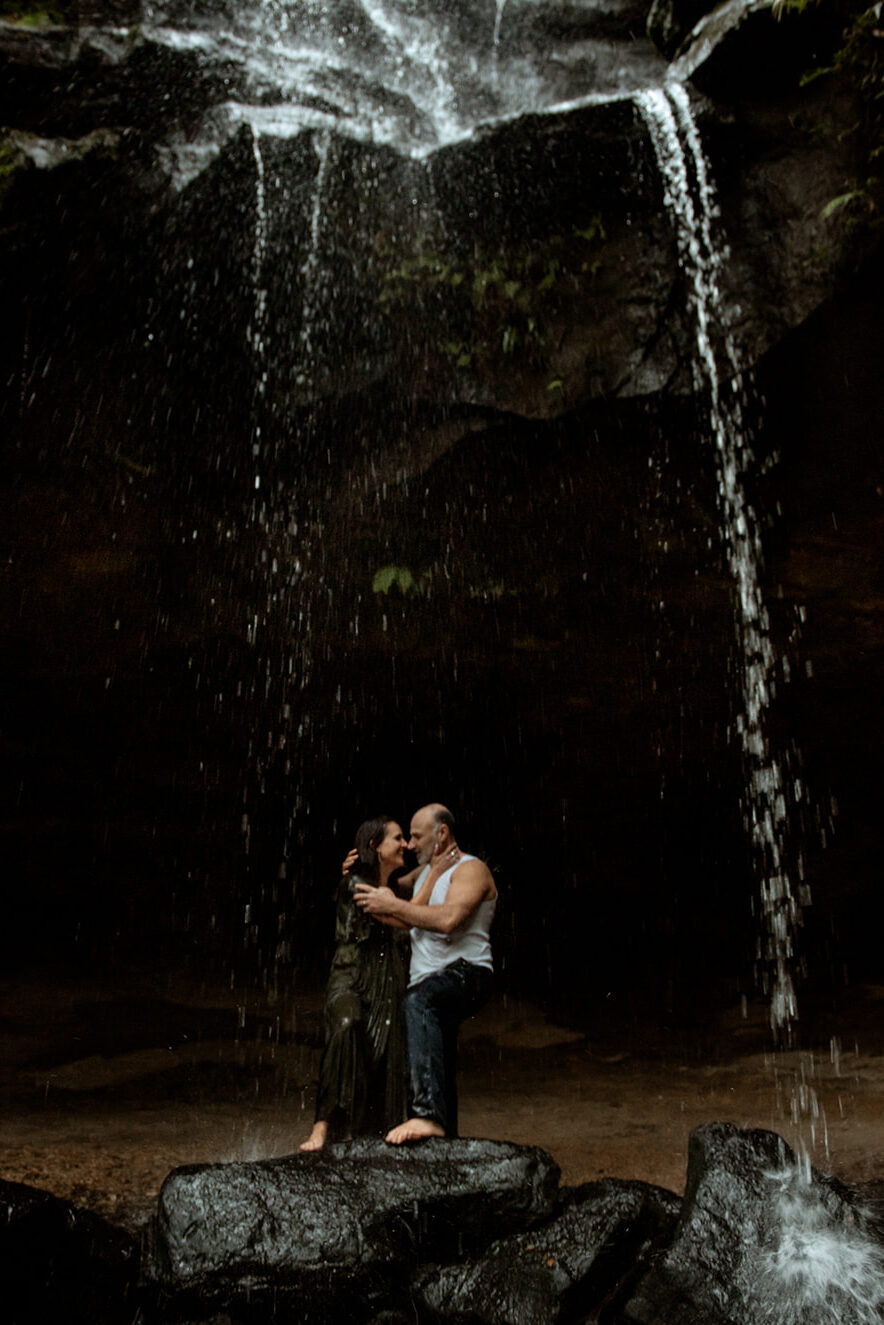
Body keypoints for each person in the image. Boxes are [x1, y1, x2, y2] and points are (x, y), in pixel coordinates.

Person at [354, 803, 496, 1144]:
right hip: (432, 980)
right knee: (438, 1053)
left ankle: (428, 1115)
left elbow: (448, 920)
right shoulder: (426, 873)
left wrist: (394, 905)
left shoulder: (469, 869)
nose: (410, 844)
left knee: (419, 1002)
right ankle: (442, 1138)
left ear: (442, 833)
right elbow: (393, 889)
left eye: (416, 836)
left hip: (466, 973)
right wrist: (357, 866)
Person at [299, 816, 411, 1151]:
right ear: (376, 847)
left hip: (386, 981)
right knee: (347, 1025)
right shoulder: (355, 885)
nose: (405, 844)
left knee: (385, 1052)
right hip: (350, 976)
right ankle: (322, 1125)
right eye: (398, 838)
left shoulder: (396, 890)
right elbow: (394, 915)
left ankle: (373, 1134)